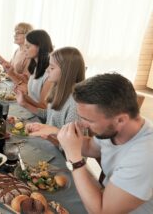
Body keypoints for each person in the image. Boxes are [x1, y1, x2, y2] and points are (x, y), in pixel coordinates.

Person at [57, 73, 153, 213]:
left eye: (88, 120)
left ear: (120, 120)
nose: (82, 124)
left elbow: (102, 211)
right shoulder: (117, 128)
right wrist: (57, 133)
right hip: (102, 195)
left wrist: (74, 159)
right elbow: (91, 147)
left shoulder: (145, 155)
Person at [17, 47, 85, 137]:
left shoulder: (74, 104)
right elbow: (48, 115)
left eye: (52, 68)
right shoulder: (57, 89)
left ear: (66, 72)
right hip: (49, 141)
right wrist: (24, 103)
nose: (47, 70)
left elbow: (71, 141)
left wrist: (48, 133)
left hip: (57, 149)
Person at [15, 29, 54, 109]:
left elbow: (44, 107)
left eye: (28, 46)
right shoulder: (35, 66)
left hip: (39, 118)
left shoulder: (49, 73)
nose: (24, 49)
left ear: (40, 47)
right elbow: (33, 93)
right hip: (31, 111)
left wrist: (25, 97)